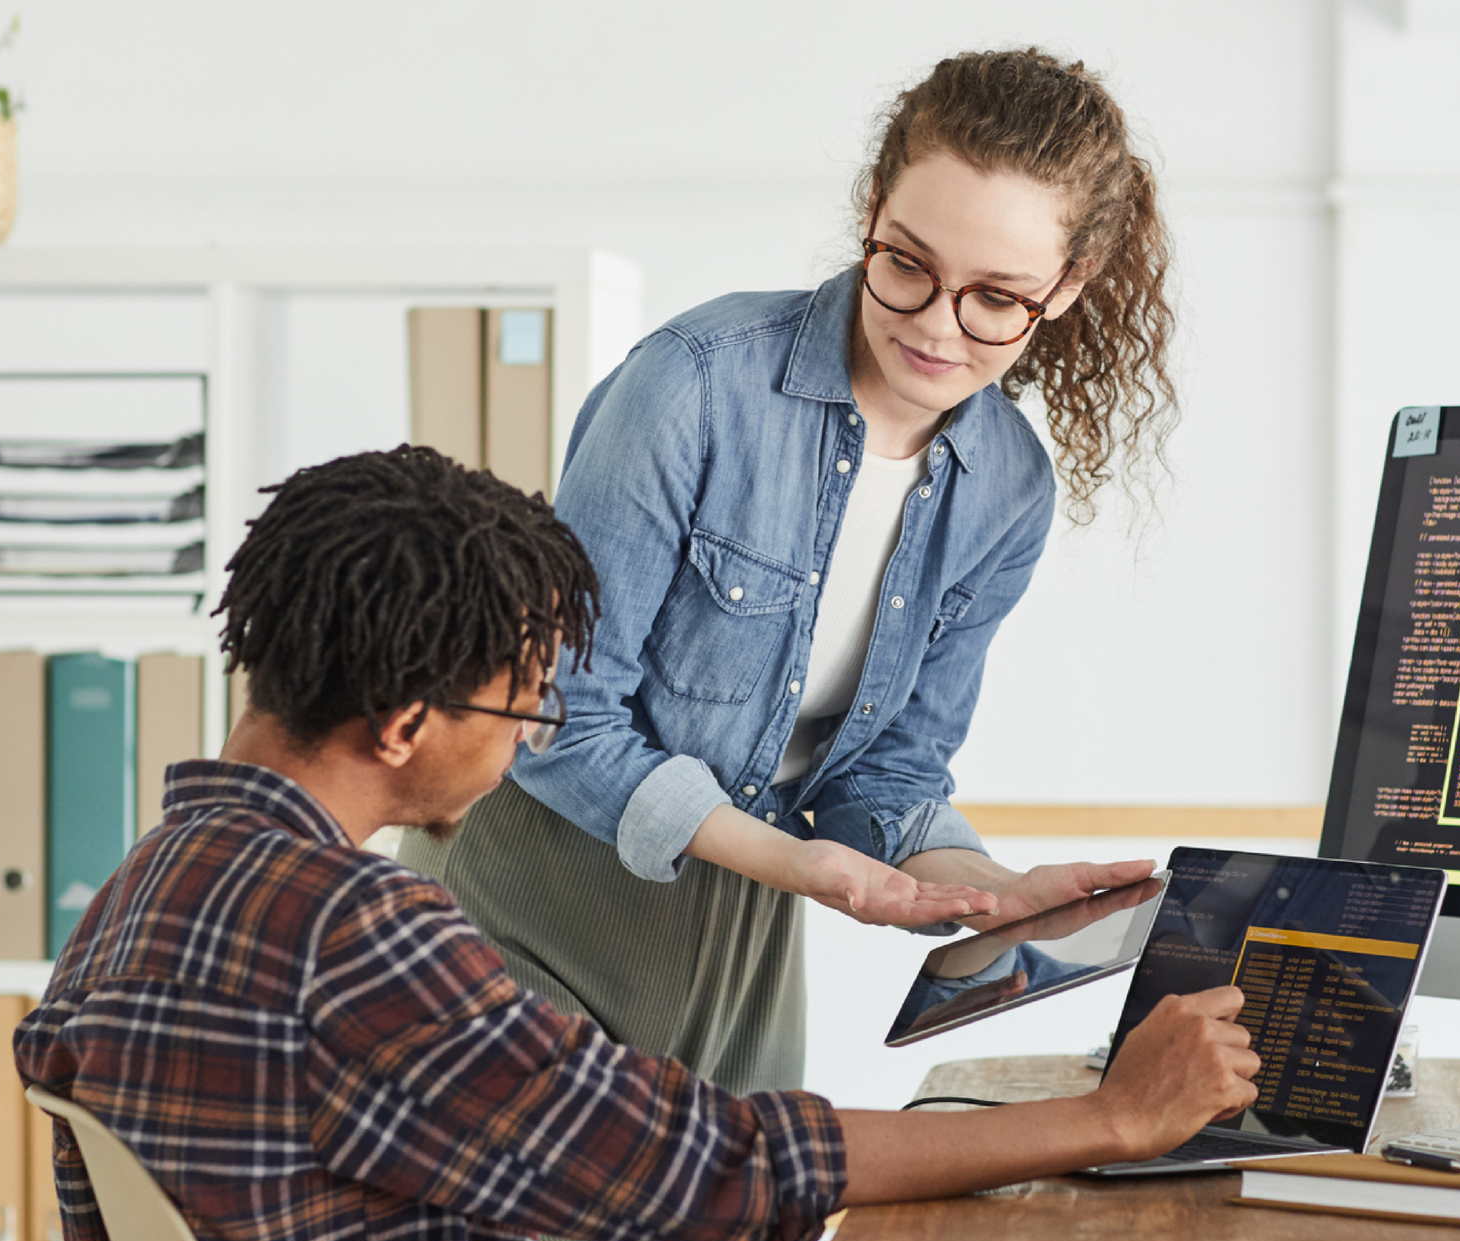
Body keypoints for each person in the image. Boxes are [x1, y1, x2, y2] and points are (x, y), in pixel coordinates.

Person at [13, 447, 1259, 1241]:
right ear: (404, 726)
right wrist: (1114, 1115)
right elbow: (709, 1168)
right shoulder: (352, 934)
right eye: (526, 709)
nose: (535, 742)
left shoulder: (145, 887)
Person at [401, 47, 1182, 1097]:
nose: (935, 325)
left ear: (1068, 286)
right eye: (906, 263)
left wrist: (992, 889)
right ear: (872, 209)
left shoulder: (1005, 490)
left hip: (736, 956)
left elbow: (887, 777)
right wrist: (798, 863)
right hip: (524, 920)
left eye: (996, 298)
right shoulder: (694, 387)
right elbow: (553, 716)